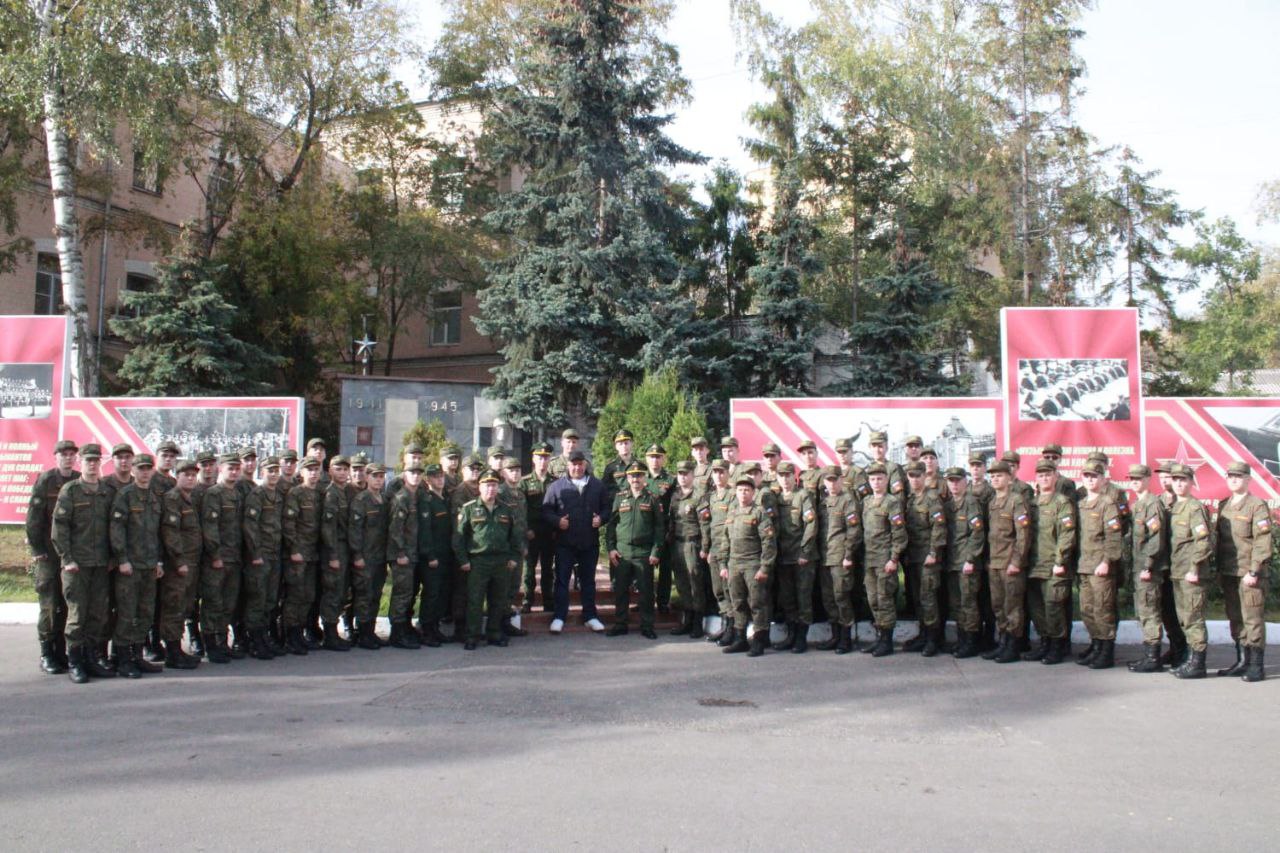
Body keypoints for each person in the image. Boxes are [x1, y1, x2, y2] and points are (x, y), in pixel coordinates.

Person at [52, 444, 116, 683]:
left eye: (96, 460)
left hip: (101, 564)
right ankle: (75, 662)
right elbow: (59, 528)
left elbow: (115, 528)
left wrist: (113, 557)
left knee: (98, 614)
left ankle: (91, 659)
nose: (92, 464)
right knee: (77, 614)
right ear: (81, 462)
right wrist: (67, 559)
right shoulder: (70, 490)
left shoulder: (107, 492)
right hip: (77, 565)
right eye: (88, 460)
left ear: (100, 463)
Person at [108, 454, 165, 678]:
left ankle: (138, 655)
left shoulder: (154, 498)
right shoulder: (125, 495)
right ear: (133, 470)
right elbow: (117, 529)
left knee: (145, 612)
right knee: (126, 612)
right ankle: (123, 659)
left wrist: (159, 561)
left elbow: (158, 532)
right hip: (130, 566)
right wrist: (122, 559)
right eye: (140, 468)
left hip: (149, 565)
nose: (145, 472)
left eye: (148, 468)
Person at [1214, 461, 1271, 682]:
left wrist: (1254, 571)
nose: (1234, 480)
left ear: (1248, 479)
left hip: (1249, 573)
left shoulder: (1256, 506)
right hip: (1229, 571)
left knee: (1252, 619)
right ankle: (1242, 661)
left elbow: (1262, 541)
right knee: (1235, 618)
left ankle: (1256, 665)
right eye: (1230, 476)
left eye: (1238, 476)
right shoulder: (1224, 505)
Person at [26, 438, 79, 675]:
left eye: (71, 454)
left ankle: (61, 651)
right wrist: (37, 550)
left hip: (71, 554)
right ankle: (46, 653)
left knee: (68, 603)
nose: (68, 458)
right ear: (55, 457)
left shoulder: (78, 480)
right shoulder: (46, 480)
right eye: (63, 454)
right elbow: (34, 519)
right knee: (50, 604)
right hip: (49, 554)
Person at [542, 450, 610, 634]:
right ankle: (559, 617)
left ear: (585, 465)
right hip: (565, 542)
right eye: (574, 464)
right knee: (562, 580)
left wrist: (601, 519)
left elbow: (607, 508)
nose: (577, 467)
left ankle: (590, 616)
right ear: (568, 465)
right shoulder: (556, 486)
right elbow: (546, 511)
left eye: (580, 464)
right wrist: (558, 521)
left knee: (588, 581)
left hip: (589, 542)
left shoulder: (597, 485)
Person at [453, 469, 520, 650]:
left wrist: (514, 557)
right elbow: (458, 537)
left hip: (501, 562)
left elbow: (515, 536)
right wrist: (463, 560)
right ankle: (472, 635)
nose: (491, 489)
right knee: (475, 600)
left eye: (494, 485)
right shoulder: (469, 508)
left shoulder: (506, 509)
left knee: (498, 600)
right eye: (487, 485)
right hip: (478, 562)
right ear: (480, 487)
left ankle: (494, 633)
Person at [718, 475, 777, 657]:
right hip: (734, 564)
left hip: (752, 564)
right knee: (738, 603)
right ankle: (740, 639)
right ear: (735, 492)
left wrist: (764, 568)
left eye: (747, 490)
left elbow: (769, 542)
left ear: (753, 493)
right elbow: (725, 540)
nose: (743, 493)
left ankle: (759, 640)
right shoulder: (732, 512)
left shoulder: (759, 513)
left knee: (757, 603)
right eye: (740, 490)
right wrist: (723, 564)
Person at [606, 463, 666, 639]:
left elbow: (659, 528)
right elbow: (611, 525)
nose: (635, 479)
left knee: (646, 592)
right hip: (622, 552)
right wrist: (611, 548)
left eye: (639, 475)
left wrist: (656, 551)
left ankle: (647, 626)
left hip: (643, 553)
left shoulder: (652, 498)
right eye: (632, 476)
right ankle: (620, 624)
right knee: (620, 590)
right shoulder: (620, 497)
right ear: (627, 478)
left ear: (644, 477)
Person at [1075, 460, 1124, 670]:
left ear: (1103, 479)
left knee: (1103, 609)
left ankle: (1106, 651)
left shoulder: (1108, 504)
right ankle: (1096, 646)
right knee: (1087, 610)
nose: (1090, 479)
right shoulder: (1081, 504)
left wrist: (1106, 561)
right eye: (1086, 476)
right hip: (1084, 565)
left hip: (1100, 567)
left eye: (1094, 476)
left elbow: (1114, 537)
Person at [1027, 460, 1077, 665]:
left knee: (1053, 607)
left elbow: (1067, 534)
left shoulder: (1062, 502)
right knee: (1037, 609)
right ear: (1036, 479)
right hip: (1033, 565)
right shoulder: (1031, 504)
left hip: (1054, 565)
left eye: (1048, 474)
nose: (1044, 478)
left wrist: (1060, 560)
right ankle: (1045, 643)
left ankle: (1058, 646)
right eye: (1041, 475)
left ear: (1056, 477)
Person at [983, 461, 1032, 664]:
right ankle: (1003, 642)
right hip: (995, 563)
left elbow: (1023, 535)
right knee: (998, 606)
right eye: (993, 476)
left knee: (1012, 606)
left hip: (1010, 563)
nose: (995, 479)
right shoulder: (993, 502)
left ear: (1009, 477)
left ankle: (1013, 645)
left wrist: (1017, 561)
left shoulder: (1016, 501)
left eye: (1000, 475)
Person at [1167, 464, 1212, 679]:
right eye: (1175, 479)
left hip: (1191, 574)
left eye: (1183, 480)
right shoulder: (1176, 507)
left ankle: (1198, 664)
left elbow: (1203, 541)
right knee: (1185, 618)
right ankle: (1190, 659)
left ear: (1191, 482)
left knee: (1194, 618)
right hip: (1178, 571)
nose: (1178, 483)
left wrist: (1195, 568)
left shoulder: (1194, 508)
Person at [200, 453, 245, 664]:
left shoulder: (237, 494)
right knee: (213, 602)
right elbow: (210, 527)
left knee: (228, 603)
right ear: (221, 469)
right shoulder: (214, 494)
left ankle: (222, 642)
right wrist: (215, 554)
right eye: (230, 468)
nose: (234, 472)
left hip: (234, 557)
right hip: (218, 559)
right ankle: (210, 645)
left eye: (237, 468)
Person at [158, 459, 202, 670]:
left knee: (184, 606)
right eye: (187, 475)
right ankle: (172, 652)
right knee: (174, 606)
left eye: (194, 475)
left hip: (192, 562)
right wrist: (179, 561)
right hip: (179, 565)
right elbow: (171, 533)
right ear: (178, 477)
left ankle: (177, 649)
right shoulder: (172, 498)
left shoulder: (191, 498)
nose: (191, 478)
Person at [1127, 464, 1170, 673]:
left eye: (1139, 478)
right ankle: (1149, 655)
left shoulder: (1152, 504)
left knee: (1149, 611)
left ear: (1147, 479)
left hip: (1148, 569)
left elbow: (1156, 538)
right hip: (1139, 566)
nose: (1135, 482)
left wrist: (1148, 565)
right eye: (1132, 479)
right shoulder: (1138, 504)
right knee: (1143, 610)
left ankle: (1153, 658)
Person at [861, 463, 908, 657]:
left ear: (886, 480)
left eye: (880, 478)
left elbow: (899, 533)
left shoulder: (892, 502)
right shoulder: (867, 501)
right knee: (873, 600)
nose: (876, 482)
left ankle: (887, 641)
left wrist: (894, 558)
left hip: (884, 560)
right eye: (872, 479)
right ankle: (879, 637)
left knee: (884, 599)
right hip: (869, 559)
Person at [771, 461, 818, 652]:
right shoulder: (776, 498)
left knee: (803, 597)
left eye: (788, 475)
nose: (785, 479)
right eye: (781, 476)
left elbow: (811, 525)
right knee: (787, 598)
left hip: (801, 557)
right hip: (783, 556)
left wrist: (805, 552)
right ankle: (791, 635)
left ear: (794, 477)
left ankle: (801, 638)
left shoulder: (803, 496)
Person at [243, 456, 286, 659]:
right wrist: (255, 553)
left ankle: (264, 637)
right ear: (262, 472)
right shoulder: (257, 494)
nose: (274, 474)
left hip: (275, 554)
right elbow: (250, 526)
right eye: (270, 470)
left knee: (270, 599)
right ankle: (254, 641)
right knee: (257, 599)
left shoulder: (278, 495)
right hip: (260, 556)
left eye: (276, 470)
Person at [815, 466, 861, 654]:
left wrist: (848, 555)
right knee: (828, 598)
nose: (832, 483)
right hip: (824, 557)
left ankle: (845, 638)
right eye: (829, 480)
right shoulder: (823, 503)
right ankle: (835, 635)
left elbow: (854, 530)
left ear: (841, 480)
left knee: (841, 596)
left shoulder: (848, 501)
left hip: (840, 557)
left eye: (835, 479)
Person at [903, 462, 947, 656]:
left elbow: (939, 527)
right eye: (911, 476)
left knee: (928, 599)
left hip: (928, 557)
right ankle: (923, 634)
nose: (914, 479)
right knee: (918, 599)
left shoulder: (932, 498)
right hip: (914, 556)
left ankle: (933, 639)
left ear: (924, 476)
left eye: (918, 476)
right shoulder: (911, 500)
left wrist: (934, 552)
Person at [943, 468, 986, 659]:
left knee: (968, 603)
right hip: (952, 562)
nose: (954, 484)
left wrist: (971, 559)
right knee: (957, 603)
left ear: (965, 482)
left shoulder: (971, 503)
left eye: (957, 480)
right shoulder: (948, 505)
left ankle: (971, 641)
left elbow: (977, 533)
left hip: (966, 563)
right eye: (951, 481)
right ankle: (962, 639)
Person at [282, 458, 323, 655]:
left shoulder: (320, 494)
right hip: (298, 553)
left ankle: (300, 632)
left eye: (316, 469)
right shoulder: (295, 493)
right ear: (302, 472)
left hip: (313, 553)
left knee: (308, 595)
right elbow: (289, 523)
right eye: (309, 470)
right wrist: (294, 549)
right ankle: (291, 635)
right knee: (295, 595)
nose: (313, 473)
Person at [348, 463, 390, 650]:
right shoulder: (361, 500)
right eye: (375, 476)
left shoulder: (384, 500)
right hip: (365, 556)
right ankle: (362, 633)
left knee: (376, 594)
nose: (379, 480)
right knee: (364, 595)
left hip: (380, 556)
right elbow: (355, 530)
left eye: (381, 476)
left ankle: (370, 631)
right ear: (367, 477)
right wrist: (357, 554)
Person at [667, 460, 709, 638]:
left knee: (695, 582)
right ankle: (687, 620)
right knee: (682, 582)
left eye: (686, 474)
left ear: (692, 475)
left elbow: (705, 524)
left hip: (693, 544)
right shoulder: (675, 496)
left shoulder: (699, 496)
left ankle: (698, 622)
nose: (683, 477)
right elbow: (671, 521)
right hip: (677, 544)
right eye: (680, 474)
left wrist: (705, 547)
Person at [417, 464, 455, 645]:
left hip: (446, 555)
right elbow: (425, 532)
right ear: (428, 480)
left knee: (442, 593)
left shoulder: (446, 498)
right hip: (433, 557)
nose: (440, 479)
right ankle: (426, 630)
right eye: (435, 477)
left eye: (441, 476)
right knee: (431, 594)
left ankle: (435, 627)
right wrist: (430, 555)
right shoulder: (427, 501)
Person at [386, 462, 422, 649]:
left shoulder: (416, 496)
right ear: (404, 475)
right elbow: (395, 529)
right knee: (402, 593)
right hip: (402, 554)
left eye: (418, 473)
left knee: (408, 593)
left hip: (412, 553)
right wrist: (400, 552)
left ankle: (404, 628)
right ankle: (397, 633)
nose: (416, 476)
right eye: (412, 472)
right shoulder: (402, 497)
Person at [520, 443, 556, 614]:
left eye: (546, 457)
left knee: (548, 569)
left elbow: (559, 507)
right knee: (529, 570)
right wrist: (526, 529)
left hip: (549, 533)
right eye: (540, 457)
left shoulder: (556, 481)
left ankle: (548, 601)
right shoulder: (525, 482)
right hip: (532, 533)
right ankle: (527, 600)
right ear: (533, 459)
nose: (543, 461)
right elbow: (521, 509)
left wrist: (557, 529)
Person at [705, 460, 737, 644]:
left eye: (721, 472)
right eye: (715, 472)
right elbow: (710, 526)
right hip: (715, 549)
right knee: (718, 589)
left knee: (729, 589)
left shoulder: (733, 495)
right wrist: (709, 549)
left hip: (729, 550)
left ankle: (733, 628)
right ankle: (725, 625)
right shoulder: (712, 497)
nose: (718, 475)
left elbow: (730, 526)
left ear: (727, 473)